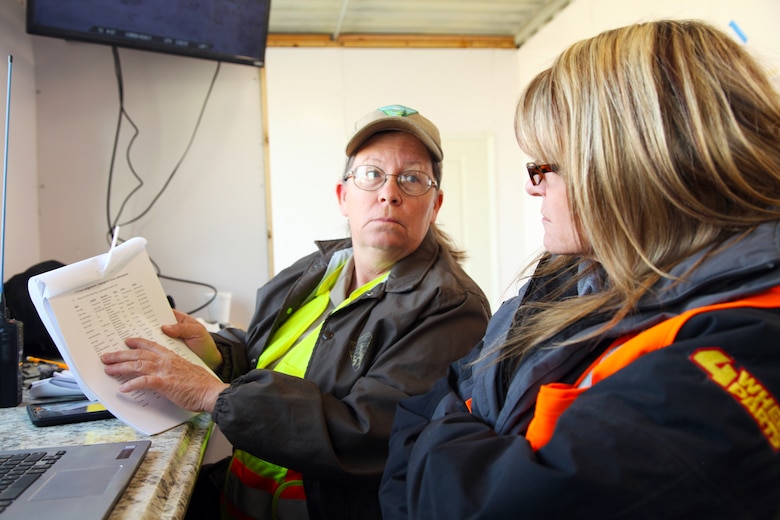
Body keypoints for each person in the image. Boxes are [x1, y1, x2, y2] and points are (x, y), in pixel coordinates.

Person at [379, 20, 780, 519]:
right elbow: (421, 413)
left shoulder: (750, 342)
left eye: (544, 166)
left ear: (631, 166)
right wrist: (456, 451)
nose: (532, 187)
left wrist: (444, 444)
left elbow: (476, 504)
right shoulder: (568, 275)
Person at [101, 104, 491, 520]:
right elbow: (268, 357)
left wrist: (213, 394)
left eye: (412, 178)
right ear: (344, 196)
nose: (389, 192)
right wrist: (216, 353)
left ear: (435, 204)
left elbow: (368, 432)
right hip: (242, 497)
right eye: (371, 173)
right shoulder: (317, 269)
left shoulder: (451, 307)